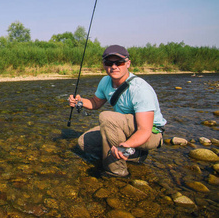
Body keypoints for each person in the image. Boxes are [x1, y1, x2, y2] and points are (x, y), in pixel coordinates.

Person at [69, 45, 166, 177]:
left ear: (128, 64)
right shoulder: (105, 81)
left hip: (151, 134)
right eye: (109, 63)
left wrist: (126, 145)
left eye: (119, 62)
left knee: (107, 117)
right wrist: (79, 102)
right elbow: (96, 102)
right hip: (125, 129)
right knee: (84, 143)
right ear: (104, 65)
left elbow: (145, 130)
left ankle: (116, 171)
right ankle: (135, 155)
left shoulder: (140, 89)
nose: (114, 66)